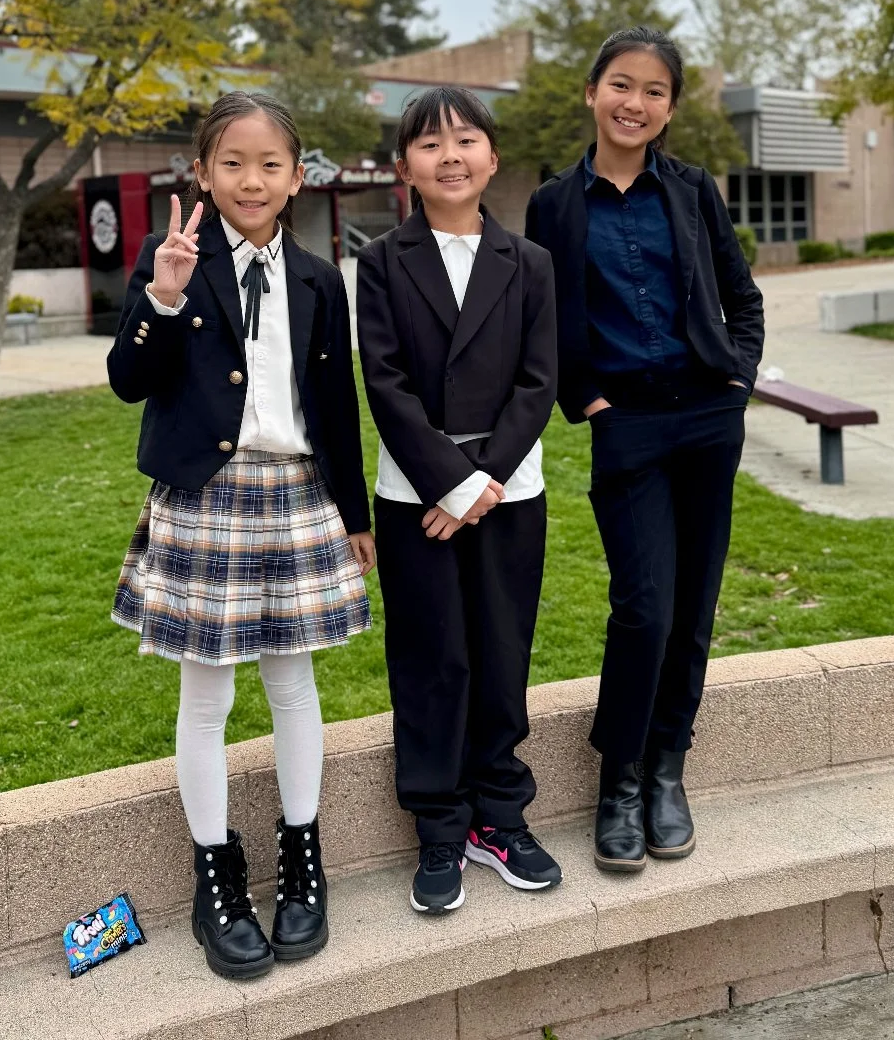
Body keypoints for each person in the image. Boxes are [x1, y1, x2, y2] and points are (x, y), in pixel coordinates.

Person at [108, 91, 374, 980]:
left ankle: (303, 860)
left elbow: (335, 405)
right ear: (202, 172)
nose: (251, 180)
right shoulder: (169, 256)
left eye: (270, 165)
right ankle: (214, 876)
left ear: (298, 177)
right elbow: (127, 379)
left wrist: (357, 517)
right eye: (233, 163)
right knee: (207, 698)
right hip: (207, 496)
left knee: (294, 687)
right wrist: (165, 296)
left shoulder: (318, 278)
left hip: (298, 493)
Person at [525, 26, 764, 873]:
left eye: (655, 91)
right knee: (646, 608)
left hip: (707, 420)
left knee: (694, 606)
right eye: (621, 86)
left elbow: (741, 293)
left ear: (669, 108)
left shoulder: (694, 191)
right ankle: (618, 780)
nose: (636, 103)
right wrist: (581, 396)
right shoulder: (555, 204)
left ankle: (669, 770)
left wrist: (738, 380)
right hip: (625, 426)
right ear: (593, 93)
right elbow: (542, 319)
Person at [357, 85, 561, 916]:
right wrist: (448, 482)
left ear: (493, 157)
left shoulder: (531, 262)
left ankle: (501, 817)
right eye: (430, 143)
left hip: (512, 489)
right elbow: (386, 383)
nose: (451, 156)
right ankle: (440, 826)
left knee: (505, 651)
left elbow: (539, 381)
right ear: (404, 165)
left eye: (466, 140)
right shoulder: (377, 262)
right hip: (416, 495)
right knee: (432, 657)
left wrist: (480, 486)